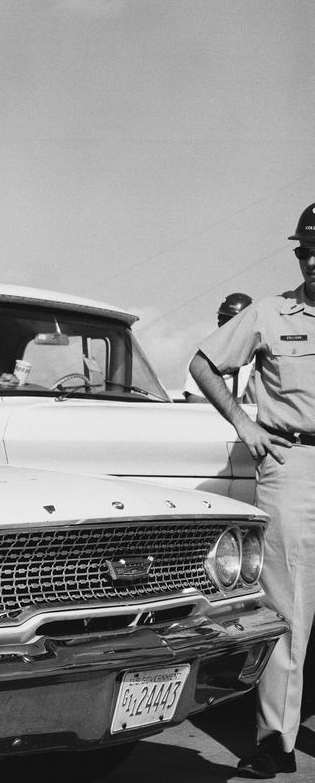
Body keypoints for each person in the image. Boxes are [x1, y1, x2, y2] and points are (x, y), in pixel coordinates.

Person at [189, 201, 315, 779]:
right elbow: (203, 363)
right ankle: (277, 741)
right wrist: (245, 424)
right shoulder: (268, 313)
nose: (311, 262)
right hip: (295, 465)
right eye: (305, 252)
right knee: (288, 607)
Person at [183, 292, 254, 402]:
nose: (225, 327)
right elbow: (194, 399)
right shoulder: (202, 360)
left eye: (232, 321)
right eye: (222, 320)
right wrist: (232, 406)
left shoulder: (262, 360)